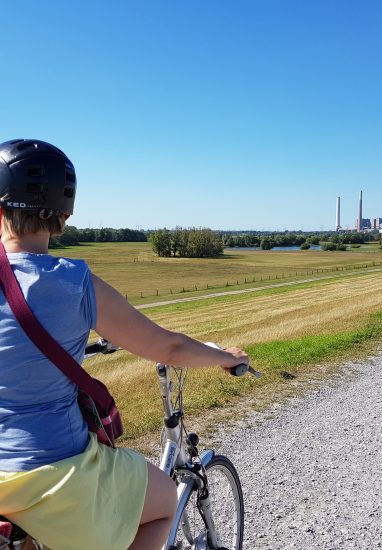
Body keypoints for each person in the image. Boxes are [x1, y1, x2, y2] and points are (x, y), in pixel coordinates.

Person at [0, 139, 249, 550]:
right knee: (166, 501)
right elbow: (168, 347)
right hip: (54, 473)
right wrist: (226, 356)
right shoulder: (73, 282)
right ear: (64, 214)